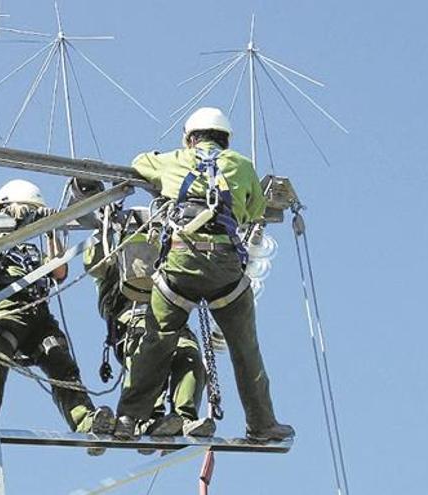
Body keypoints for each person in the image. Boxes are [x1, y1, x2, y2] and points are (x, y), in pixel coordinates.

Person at [113, 107, 295, 442]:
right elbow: (255, 211)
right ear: (225, 139)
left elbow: (140, 162)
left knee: (156, 341)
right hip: (225, 271)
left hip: (180, 266)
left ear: (191, 137)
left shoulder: (175, 159)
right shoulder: (241, 165)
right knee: (245, 348)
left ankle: (127, 419)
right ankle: (261, 423)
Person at [0, 180, 115, 451]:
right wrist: (6, 221)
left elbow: (59, 273)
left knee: (60, 361)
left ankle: (85, 420)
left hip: (39, 314)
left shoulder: (31, 249)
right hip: (9, 310)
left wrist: (50, 230)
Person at [83, 207, 214, 439]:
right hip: (132, 321)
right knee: (147, 354)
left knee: (189, 354)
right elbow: (94, 264)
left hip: (170, 318)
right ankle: (147, 419)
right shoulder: (112, 255)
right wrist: (103, 224)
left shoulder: (163, 252)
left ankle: (185, 419)